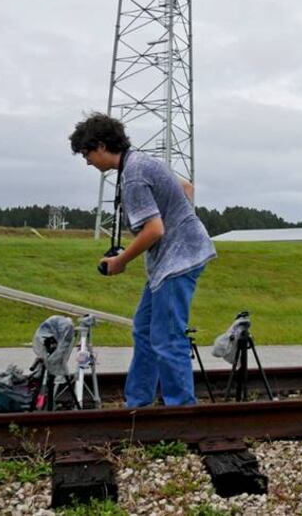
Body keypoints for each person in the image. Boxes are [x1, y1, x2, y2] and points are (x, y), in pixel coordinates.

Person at [70, 113, 216, 407]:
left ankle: (182, 413)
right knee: (145, 330)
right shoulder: (141, 162)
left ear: (100, 146)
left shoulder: (133, 175)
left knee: (167, 338)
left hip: (178, 262)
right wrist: (181, 221)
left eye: (86, 154)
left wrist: (121, 261)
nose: (87, 162)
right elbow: (186, 188)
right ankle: (137, 404)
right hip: (175, 259)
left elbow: (155, 229)